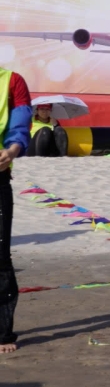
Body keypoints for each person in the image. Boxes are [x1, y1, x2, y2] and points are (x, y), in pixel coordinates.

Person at [1, 65, 31, 353]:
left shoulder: (12, 81)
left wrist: (11, 151)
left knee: (0, 256)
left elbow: (20, 122)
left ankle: (2, 333)